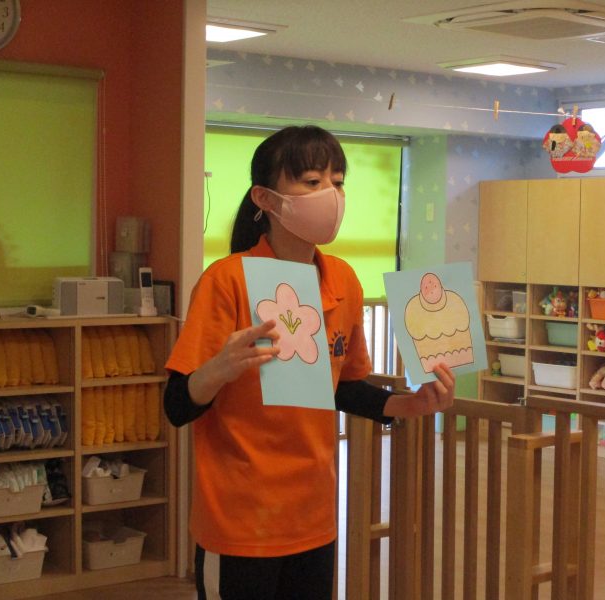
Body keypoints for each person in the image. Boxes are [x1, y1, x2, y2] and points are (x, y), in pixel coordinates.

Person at [164, 125, 455, 600]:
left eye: (338, 182)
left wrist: (409, 404)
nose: (331, 196)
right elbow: (177, 404)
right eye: (313, 181)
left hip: (314, 516)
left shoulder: (342, 279)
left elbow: (341, 386)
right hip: (241, 518)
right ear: (266, 198)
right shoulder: (227, 280)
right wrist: (218, 369)